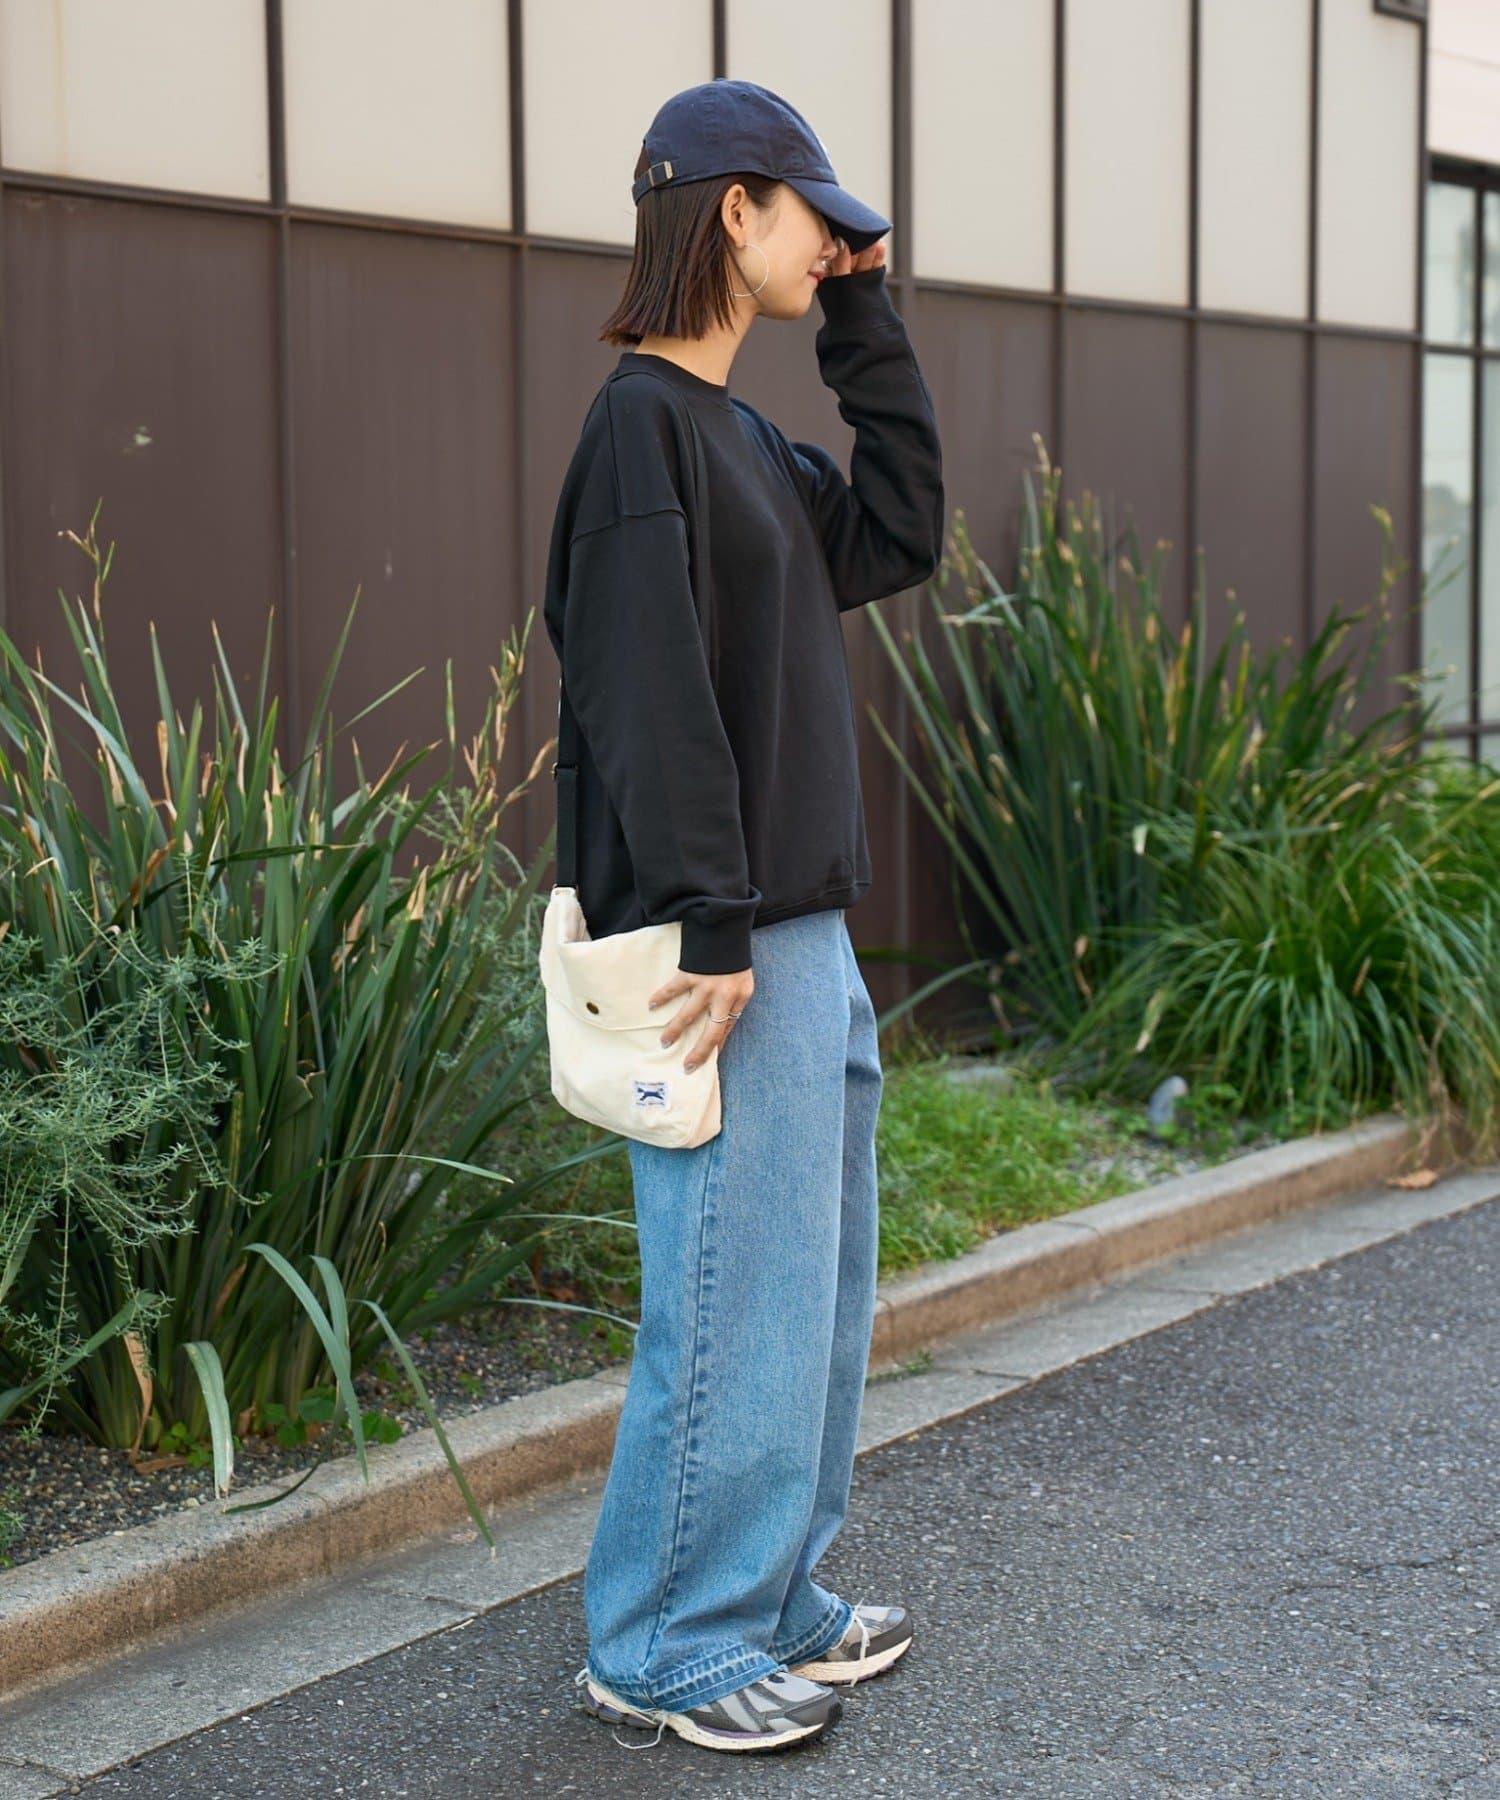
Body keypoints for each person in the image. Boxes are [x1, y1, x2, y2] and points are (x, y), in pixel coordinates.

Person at [542, 79, 944, 1756]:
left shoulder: (742, 440)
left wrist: (863, 314)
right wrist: (713, 919)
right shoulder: (640, 430)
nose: (827, 242)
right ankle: (661, 1642)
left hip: (800, 932)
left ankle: (767, 1594)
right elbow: (645, 697)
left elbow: (902, 530)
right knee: (731, 1298)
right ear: (733, 210)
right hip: (730, 942)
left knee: (809, 1301)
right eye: (811, 217)